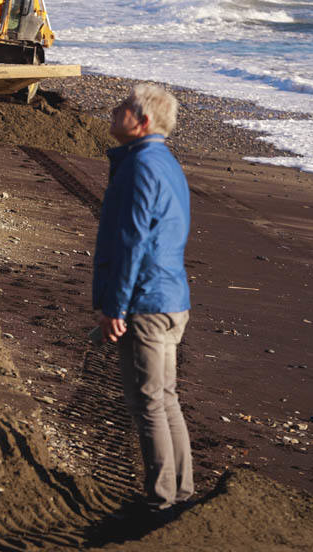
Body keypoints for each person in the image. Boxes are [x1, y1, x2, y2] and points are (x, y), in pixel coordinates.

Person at [92, 83, 193, 516]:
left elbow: (133, 240)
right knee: (164, 397)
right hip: (172, 298)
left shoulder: (141, 168)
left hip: (148, 301)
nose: (115, 112)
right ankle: (179, 491)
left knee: (149, 401)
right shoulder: (165, 163)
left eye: (124, 108)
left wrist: (116, 305)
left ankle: (162, 499)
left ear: (143, 122)